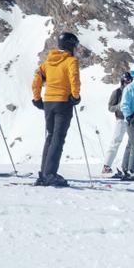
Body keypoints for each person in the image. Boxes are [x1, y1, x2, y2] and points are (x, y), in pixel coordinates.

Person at [31, 32, 81, 187]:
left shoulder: (47, 62)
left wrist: (37, 97)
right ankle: (50, 174)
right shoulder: (71, 61)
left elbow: (37, 78)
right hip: (62, 102)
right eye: (75, 45)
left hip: (48, 102)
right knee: (58, 138)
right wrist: (75, 95)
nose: (76, 48)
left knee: (51, 136)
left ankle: (44, 172)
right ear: (70, 45)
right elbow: (74, 77)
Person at [102, 71, 133, 175]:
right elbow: (110, 107)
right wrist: (119, 106)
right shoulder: (117, 92)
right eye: (126, 81)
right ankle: (106, 166)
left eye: (130, 81)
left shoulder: (133, 92)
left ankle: (129, 167)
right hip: (121, 119)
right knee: (116, 142)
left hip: (132, 120)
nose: (128, 83)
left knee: (133, 143)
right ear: (122, 81)